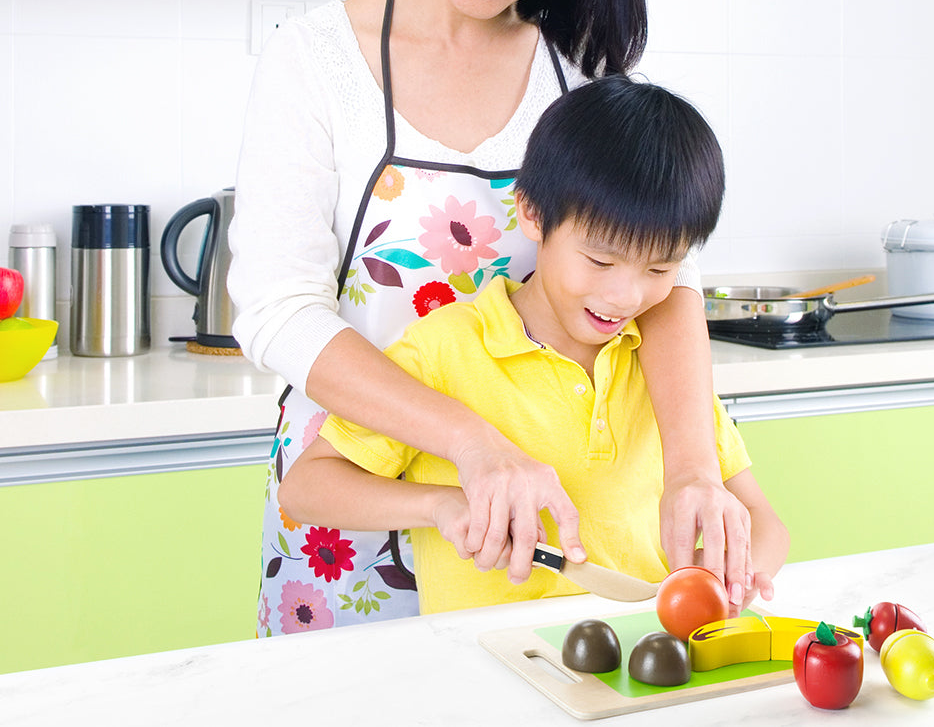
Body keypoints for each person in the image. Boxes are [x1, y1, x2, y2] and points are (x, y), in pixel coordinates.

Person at [229, 0, 752, 638]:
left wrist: (696, 469)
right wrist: (470, 445)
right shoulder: (315, 61)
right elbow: (276, 309)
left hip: (537, 530)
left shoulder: (582, 77)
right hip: (355, 504)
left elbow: (670, 288)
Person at [278, 77, 789, 614]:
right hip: (482, 671)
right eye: (600, 260)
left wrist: (737, 576)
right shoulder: (445, 351)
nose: (626, 295)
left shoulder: (662, 368)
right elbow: (307, 487)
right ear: (532, 214)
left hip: (637, 671)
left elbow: (763, 520)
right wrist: (440, 506)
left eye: (660, 268)